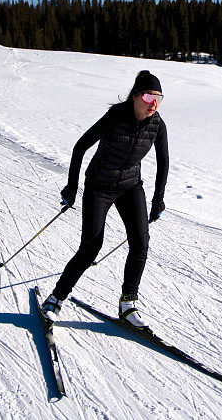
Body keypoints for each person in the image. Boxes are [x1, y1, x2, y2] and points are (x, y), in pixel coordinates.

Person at [41, 70, 169, 328]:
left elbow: (164, 162)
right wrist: (72, 186)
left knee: (141, 242)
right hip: (99, 187)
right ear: (135, 97)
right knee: (91, 247)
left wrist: (158, 200)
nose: (153, 103)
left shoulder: (157, 125)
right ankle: (56, 298)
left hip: (130, 186)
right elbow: (80, 147)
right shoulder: (114, 118)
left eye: (158, 98)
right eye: (147, 96)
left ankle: (128, 303)